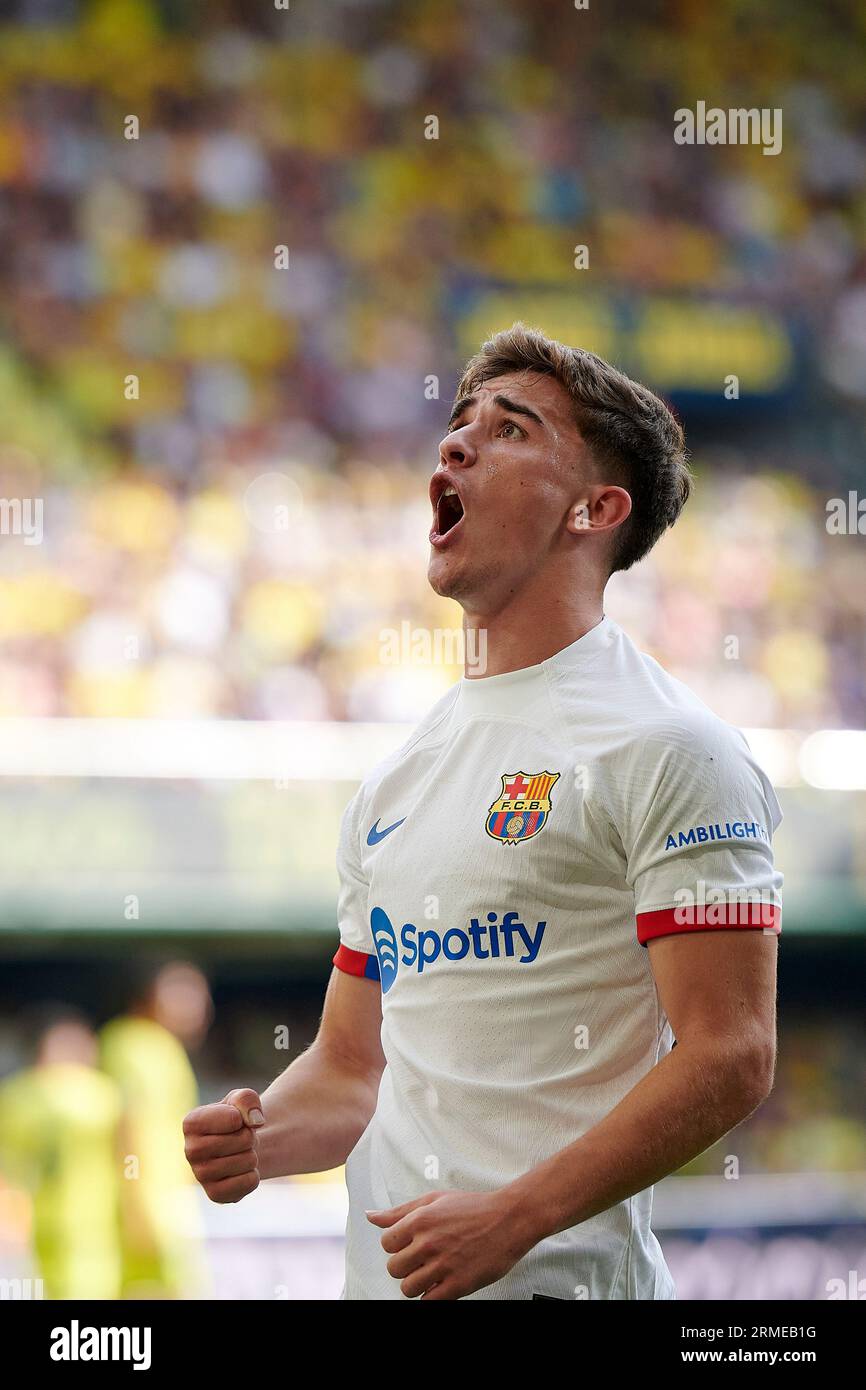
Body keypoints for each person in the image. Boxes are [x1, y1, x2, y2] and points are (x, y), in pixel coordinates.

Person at [183, 324, 783, 1300]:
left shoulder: (670, 744)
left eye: (509, 430)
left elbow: (730, 1052)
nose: (454, 444)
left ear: (595, 507)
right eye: (458, 422)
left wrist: (515, 1217)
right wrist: (258, 1136)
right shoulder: (394, 781)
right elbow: (348, 1070)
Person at [101, 960, 213, 1297]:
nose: (195, 1006)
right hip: (145, 1210)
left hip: (168, 1204)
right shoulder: (132, 1044)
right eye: (180, 993)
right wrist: (140, 1209)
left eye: (199, 995)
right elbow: (128, 1125)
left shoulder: (163, 1049)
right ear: (146, 997)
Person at [0, 1007, 123, 1299]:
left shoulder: (16, 1096)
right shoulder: (104, 1096)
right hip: (96, 1227)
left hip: (36, 1229)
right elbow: (131, 1159)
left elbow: (9, 1169)